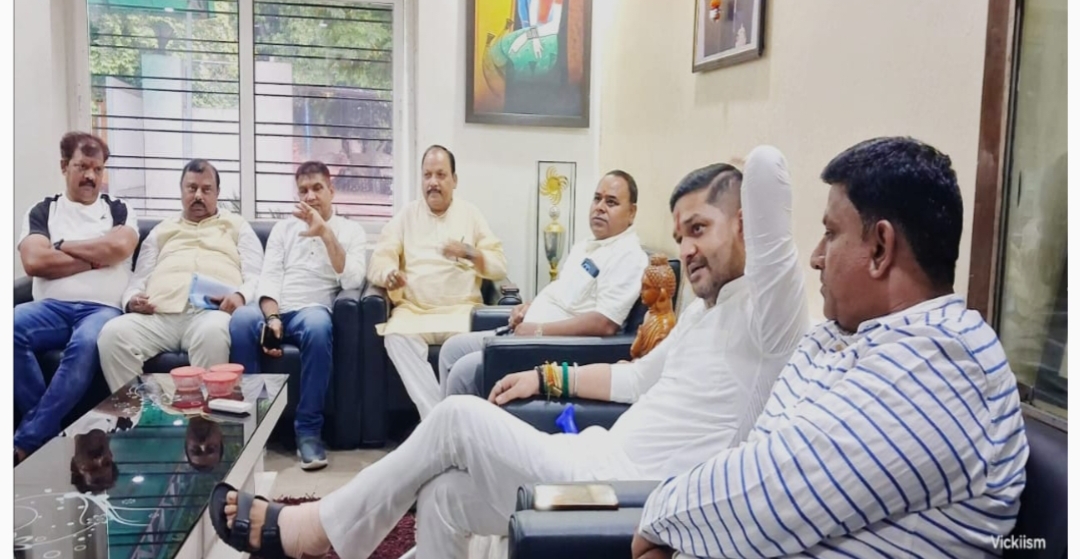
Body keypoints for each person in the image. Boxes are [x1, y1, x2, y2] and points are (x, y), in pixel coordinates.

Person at [207, 145, 809, 559]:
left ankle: (316, 530)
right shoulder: (705, 312)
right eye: (680, 235)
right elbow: (633, 380)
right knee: (444, 496)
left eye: (700, 229)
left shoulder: (769, 319)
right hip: (594, 456)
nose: (687, 250)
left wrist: (732, 174)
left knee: (455, 417)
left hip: (630, 490)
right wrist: (545, 378)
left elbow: (768, 168)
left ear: (746, 225)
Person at [631, 137, 1029, 559]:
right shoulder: (835, 337)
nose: (817, 257)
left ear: (880, 247)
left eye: (830, 233)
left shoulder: (945, 363)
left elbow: (772, 492)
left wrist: (660, 515)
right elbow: (751, 459)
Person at [439, 170, 649, 398]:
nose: (600, 207)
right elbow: (562, 296)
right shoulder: (587, 246)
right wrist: (528, 308)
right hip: (524, 335)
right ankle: (443, 420)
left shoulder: (628, 256)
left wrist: (538, 330)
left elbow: (605, 323)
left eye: (611, 202)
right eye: (597, 198)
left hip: (549, 349)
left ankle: (457, 420)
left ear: (632, 212)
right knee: (451, 349)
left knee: (462, 371)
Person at [229, 161, 367, 470]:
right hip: (277, 309)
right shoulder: (284, 228)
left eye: (317, 188)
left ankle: (308, 431)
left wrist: (326, 234)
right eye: (303, 190)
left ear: (332, 191)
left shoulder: (351, 230)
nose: (311, 196)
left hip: (313, 310)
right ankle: (253, 427)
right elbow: (269, 277)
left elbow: (352, 280)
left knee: (319, 327)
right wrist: (272, 317)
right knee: (240, 321)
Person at [14, 131, 139, 463]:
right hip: (51, 309)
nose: (90, 177)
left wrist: (61, 246)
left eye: (97, 169)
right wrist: (96, 258)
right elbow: (34, 261)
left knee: (86, 343)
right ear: (64, 166)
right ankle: (46, 434)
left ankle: (28, 441)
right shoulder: (43, 210)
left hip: (103, 310)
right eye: (82, 167)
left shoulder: (118, 209)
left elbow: (119, 248)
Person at [368, 145, 508, 418]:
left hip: (460, 312)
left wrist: (468, 252)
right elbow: (379, 259)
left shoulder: (470, 214)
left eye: (441, 175)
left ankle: (439, 424)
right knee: (395, 337)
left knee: (469, 346)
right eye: (427, 175)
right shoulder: (407, 215)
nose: (433, 182)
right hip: (415, 311)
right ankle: (440, 417)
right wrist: (389, 275)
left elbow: (499, 265)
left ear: (454, 180)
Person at [98, 159, 263, 390]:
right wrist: (132, 300)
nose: (198, 196)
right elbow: (139, 278)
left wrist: (240, 296)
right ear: (181, 190)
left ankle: (205, 413)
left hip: (209, 314)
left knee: (213, 333)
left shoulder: (237, 226)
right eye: (192, 188)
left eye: (206, 189)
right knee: (112, 335)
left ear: (217, 193)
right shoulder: (161, 230)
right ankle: (138, 410)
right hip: (158, 316)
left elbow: (256, 275)